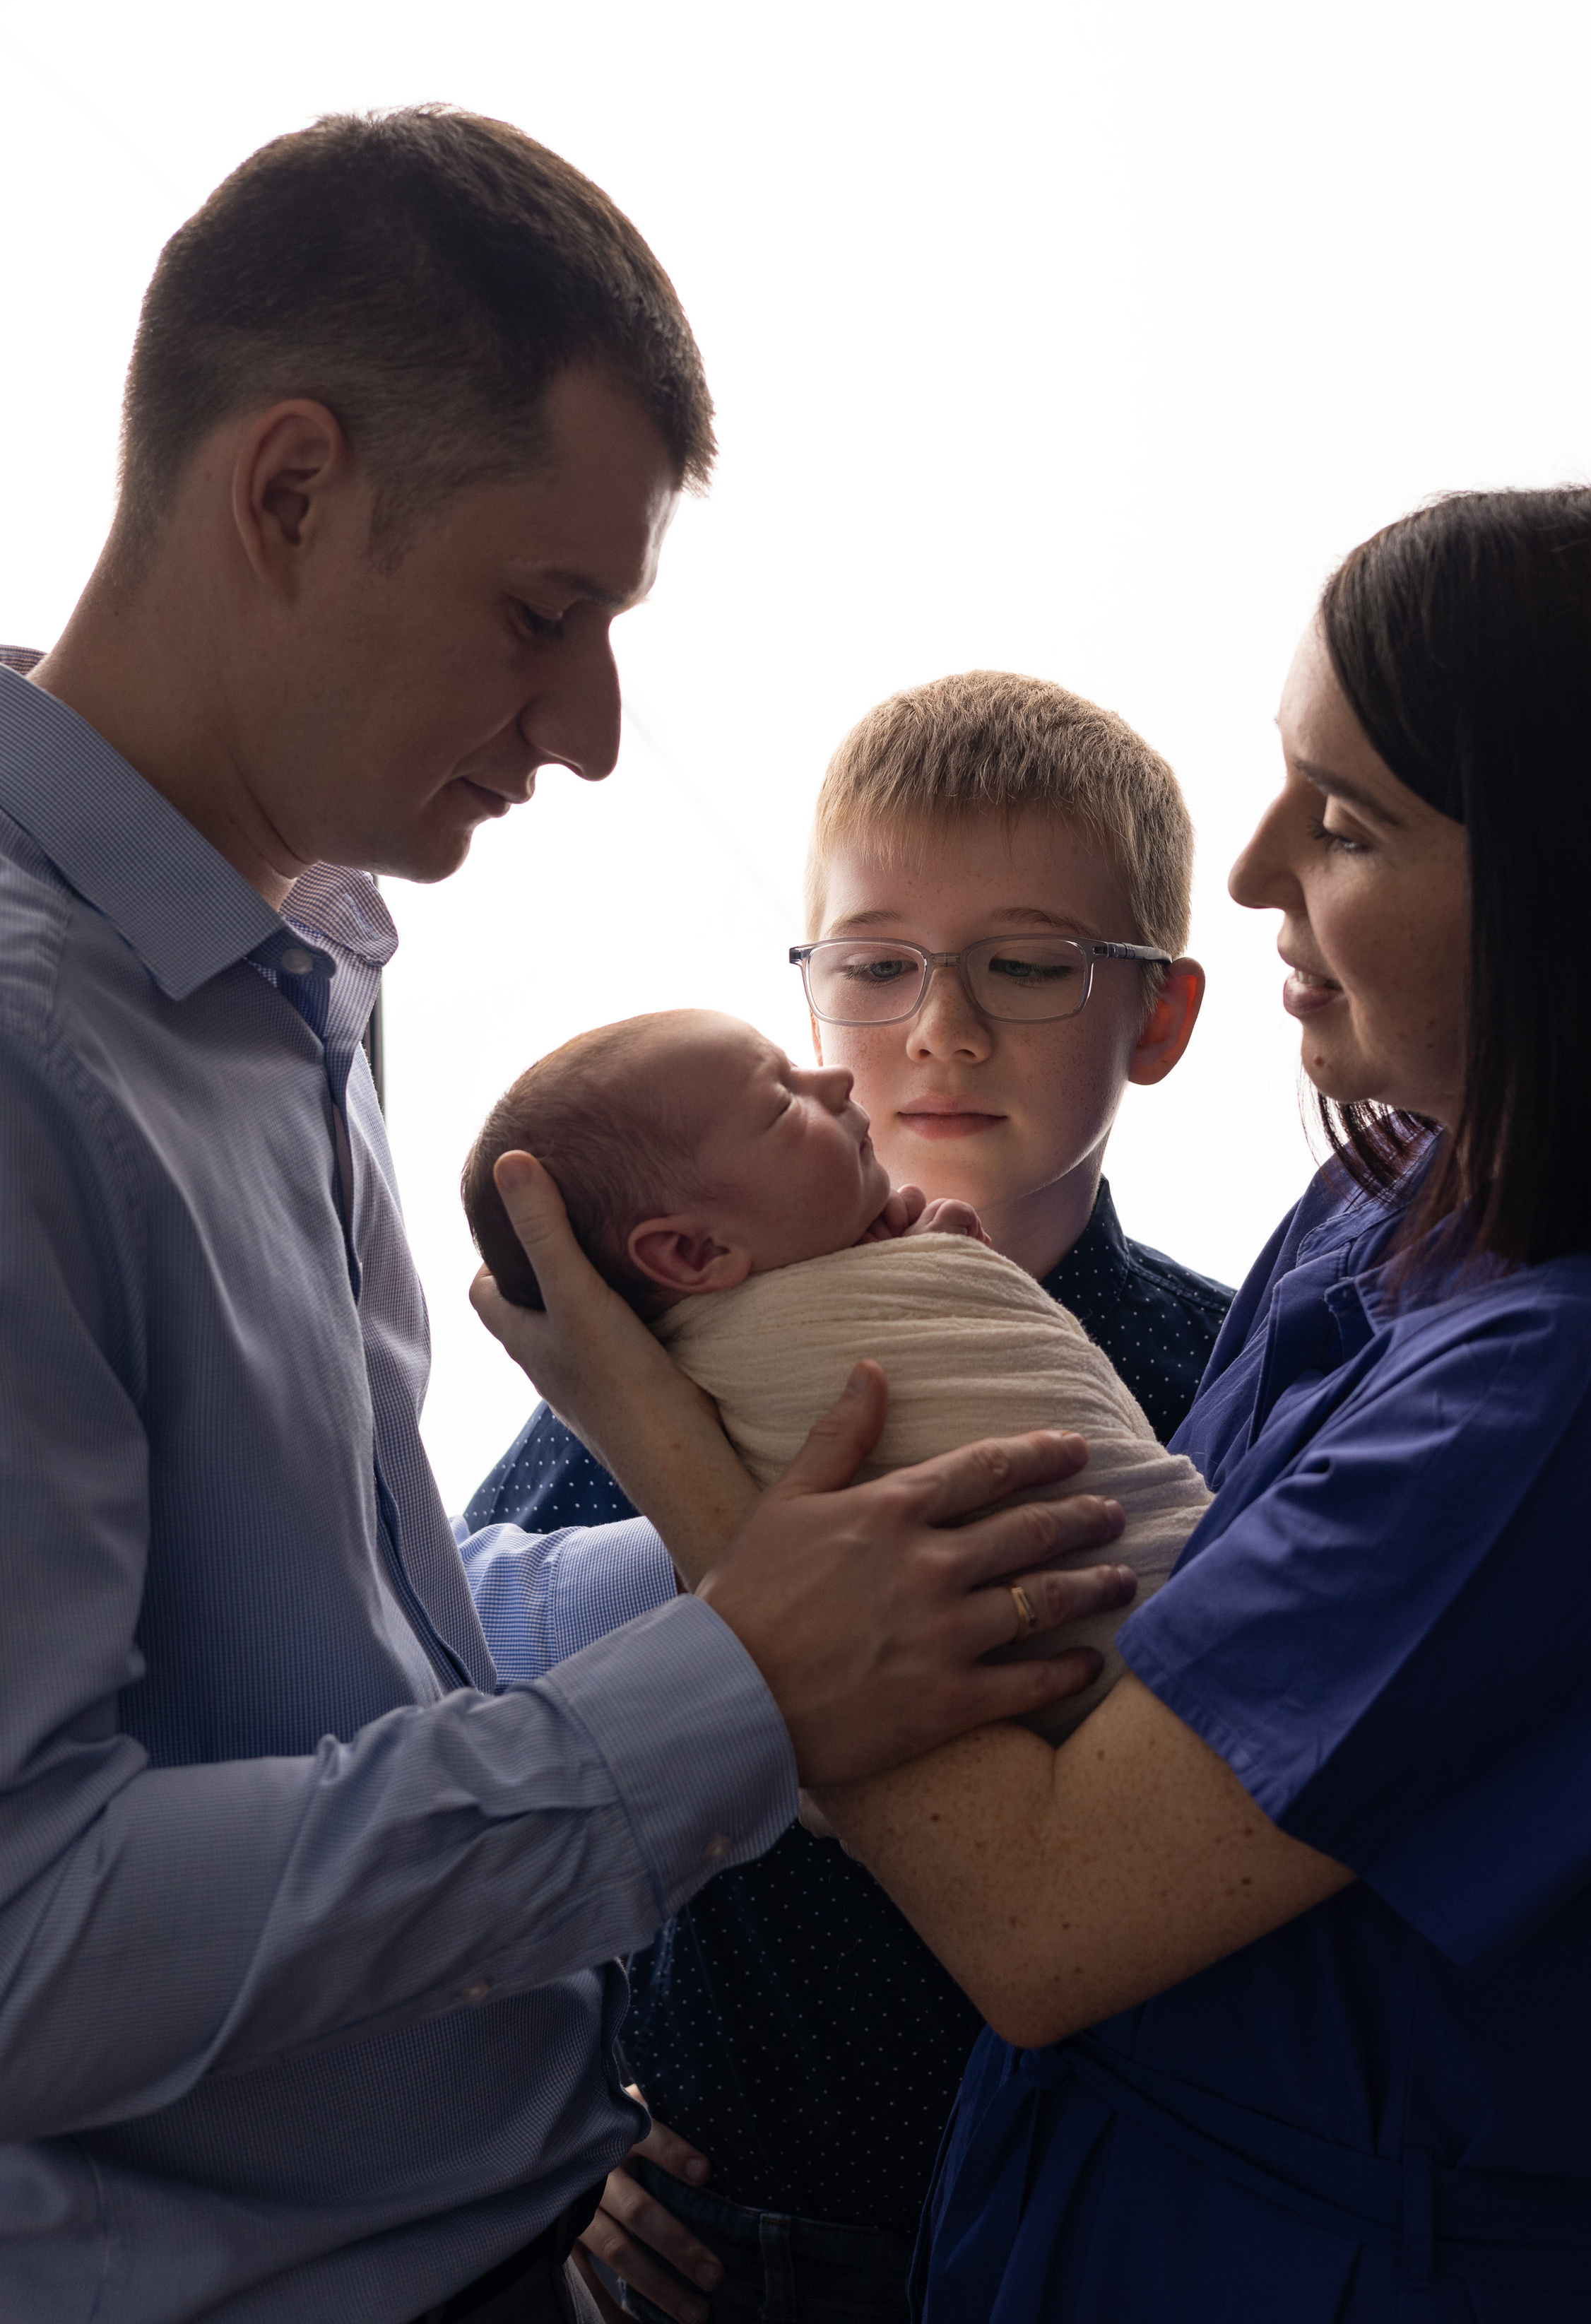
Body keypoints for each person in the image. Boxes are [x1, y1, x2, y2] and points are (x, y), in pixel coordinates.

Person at [0, 112, 1133, 2324]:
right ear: (290, 490)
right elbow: (30, 1940)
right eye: (546, 613)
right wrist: (739, 1689)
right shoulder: (33, 1052)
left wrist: (751, 1540)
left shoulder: (282, 965)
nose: (598, 733)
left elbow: (319, 1659)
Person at [478, 480, 1591, 2323]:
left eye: (1345, 823)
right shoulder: (1392, 1200)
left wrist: (667, 1445)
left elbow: (1039, 1922)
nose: (1254, 873)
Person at [465, 674, 1234, 2319]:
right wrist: (545, 2122)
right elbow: (464, 1706)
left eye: (1026, 965)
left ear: (1156, 1020)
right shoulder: (662, 1368)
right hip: (733, 2227)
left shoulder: (1224, 1370)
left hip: (1112, 2230)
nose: (940, 1029)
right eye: (876, 967)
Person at [462, 1008, 1209, 1733]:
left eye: (1027, 972)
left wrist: (936, 1274)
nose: (836, 1079)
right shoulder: (621, 1409)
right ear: (695, 1253)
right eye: (782, 1103)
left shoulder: (1203, 1345)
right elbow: (468, 1647)